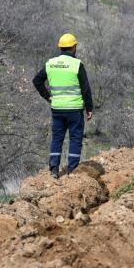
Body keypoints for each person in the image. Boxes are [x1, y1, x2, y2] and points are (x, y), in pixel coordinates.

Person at [33, 33, 93, 178]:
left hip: (57, 109)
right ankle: (72, 170)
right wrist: (89, 108)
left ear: (61, 47)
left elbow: (36, 80)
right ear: (73, 48)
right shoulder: (77, 65)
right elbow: (86, 88)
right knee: (76, 138)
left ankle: (54, 168)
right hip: (74, 110)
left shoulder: (50, 63)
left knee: (57, 138)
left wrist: (47, 96)